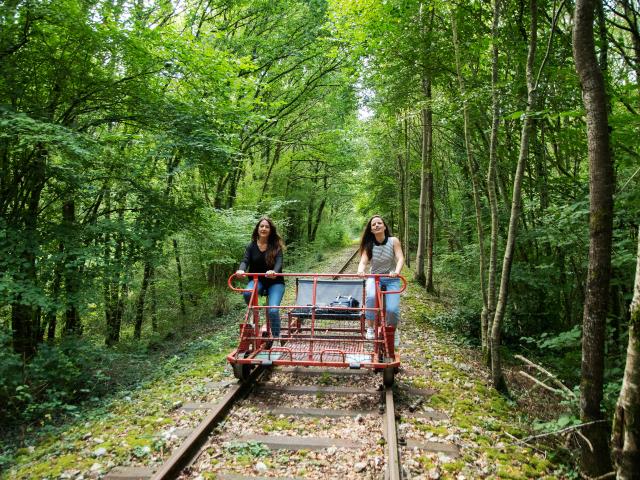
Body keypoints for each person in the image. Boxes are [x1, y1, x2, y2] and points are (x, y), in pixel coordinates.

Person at [357, 215, 405, 346]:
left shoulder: (393, 241)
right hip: (375, 277)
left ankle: (392, 331)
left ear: (384, 226)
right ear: (371, 230)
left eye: (379, 223)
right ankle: (371, 327)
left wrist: (396, 272)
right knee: (371, 297)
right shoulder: (369, 245)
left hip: (391, 278)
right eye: (374, 225)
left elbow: (400, 258)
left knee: (392, 309)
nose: (376, 225)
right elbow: (363, 262)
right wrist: (361, 270)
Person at [236, 217, 285, 340]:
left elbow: (279, 263)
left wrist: (274, 271)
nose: (264, 228)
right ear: (257, 229)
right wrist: (241, 269)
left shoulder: (276, 246)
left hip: (275, 282)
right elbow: (245, 260)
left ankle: (277, 336)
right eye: (261, 226)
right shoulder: (251, 246)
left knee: (272, 311)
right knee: (248, 293)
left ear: (270, 230)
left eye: (267, 227)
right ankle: (255, 314)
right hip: (258, 280)